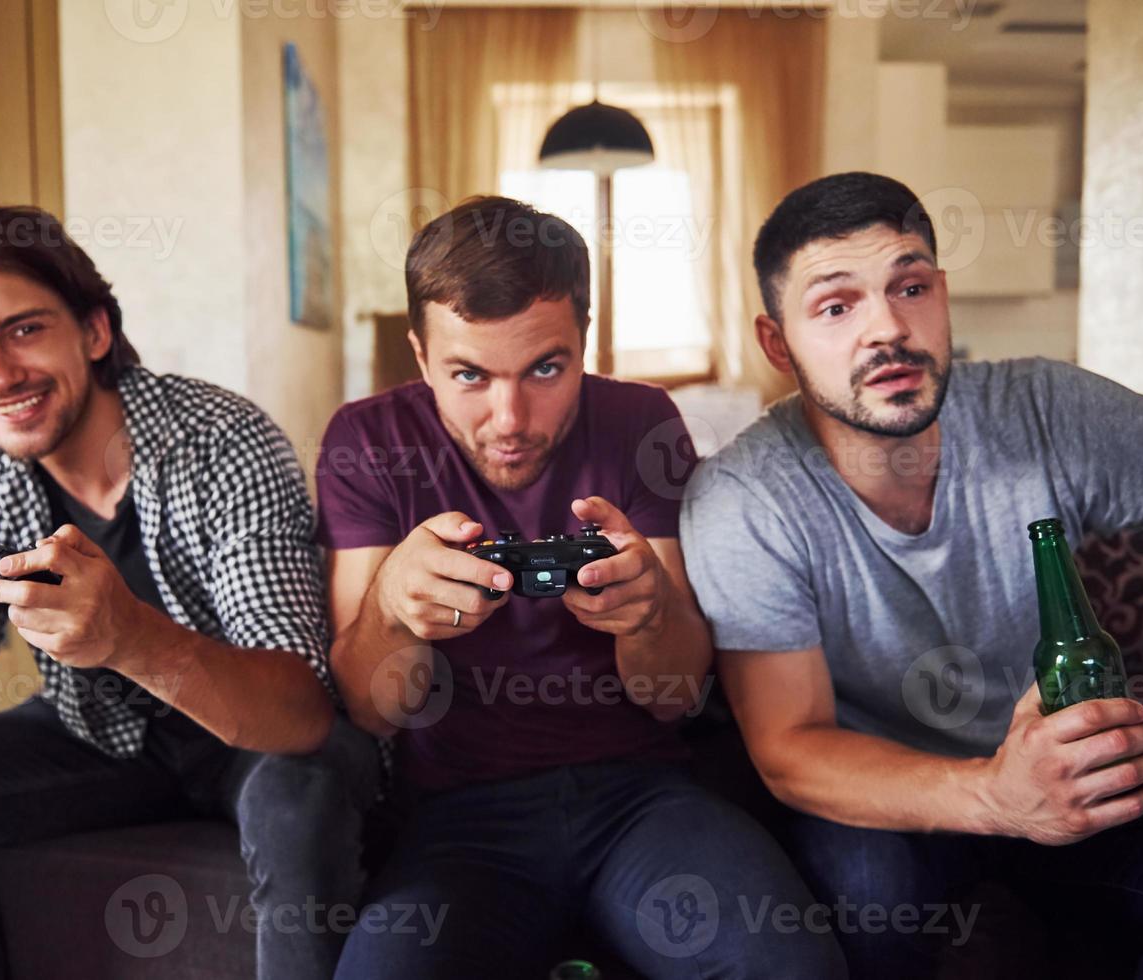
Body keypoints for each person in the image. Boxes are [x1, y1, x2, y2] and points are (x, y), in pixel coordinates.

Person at [0, 205, 380, 980]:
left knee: (300, 798)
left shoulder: (223, 439)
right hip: (100, 733)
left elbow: (300, 710)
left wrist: (130, 637)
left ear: (93, 332)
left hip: (250, 739)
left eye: (23, 330)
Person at [681, 171, 1143, 976]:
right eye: (837, 305)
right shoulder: (743, 499)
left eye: (911, 286)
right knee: (866, 908)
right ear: (777, 344)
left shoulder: (1045, 406)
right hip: (887, 794)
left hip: (1068, 762)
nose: (888, 329)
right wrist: (999, 796)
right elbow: (790, 748)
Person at [320, 196, 846, 978]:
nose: (511, 417)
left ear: (584, 342)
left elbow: (673, 696)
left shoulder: (641, 421)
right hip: (461, 817)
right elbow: (372, 708)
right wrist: (394, 613)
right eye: (468, 374)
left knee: (793, 968)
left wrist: (648, 615)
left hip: (640, 797)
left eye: (546, 368)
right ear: (421, 358)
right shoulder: (367, 441)